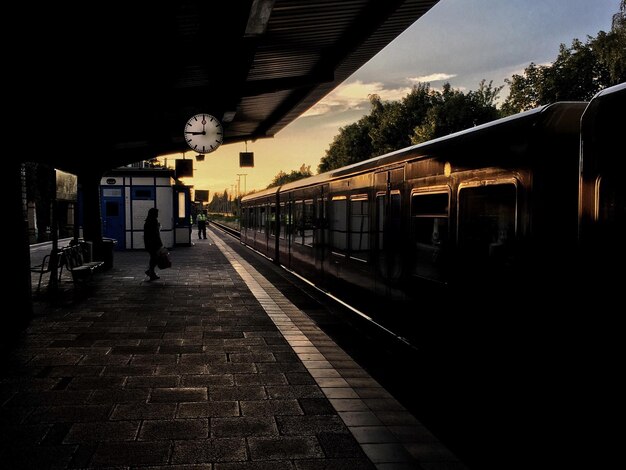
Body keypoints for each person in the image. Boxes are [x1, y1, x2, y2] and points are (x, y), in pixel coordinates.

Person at [143, 207, 163, 280]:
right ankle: (151, 272)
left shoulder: (148, 221)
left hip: (149, 244)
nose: (157, 214)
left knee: (154, 258)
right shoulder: (153, 221)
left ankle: (151, 272)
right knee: (155, 258)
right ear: (153, 214)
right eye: (156, 213)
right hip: (153, 244)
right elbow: (155, 234)